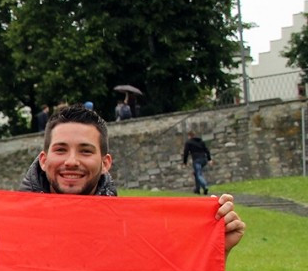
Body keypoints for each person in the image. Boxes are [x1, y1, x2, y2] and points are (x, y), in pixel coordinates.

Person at [20, 104, 244, 255]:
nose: (71, 161)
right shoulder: (9, 229)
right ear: (43, 159)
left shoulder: (130, 234)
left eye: (85, 151)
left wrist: (214, 251)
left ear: (106, 163)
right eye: (60, 149)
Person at [182, 131, 212, 195]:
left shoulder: (189, 142)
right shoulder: (201, 141)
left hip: (196, 160)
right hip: (204, 159)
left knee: (198, 174)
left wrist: (185, 162)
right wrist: (209, 159)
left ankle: (205, 186)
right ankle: (197, 189)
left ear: (189, 136)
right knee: (196, 173)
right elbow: (206, 150)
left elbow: (186, 152)